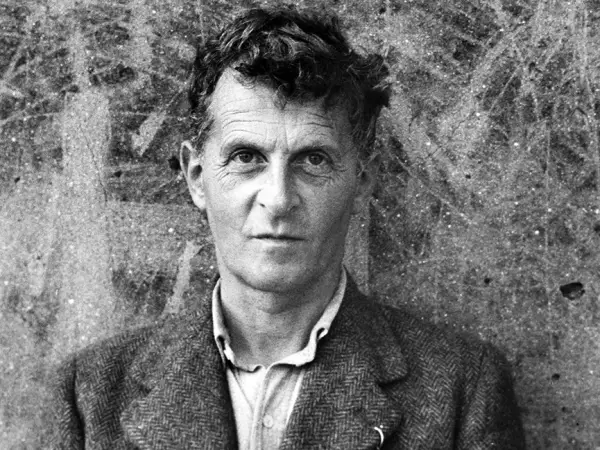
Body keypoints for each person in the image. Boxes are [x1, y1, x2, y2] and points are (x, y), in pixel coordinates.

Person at [50, 6, 525, 449]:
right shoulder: (90, 395)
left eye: (313, 160)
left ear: (361, 178)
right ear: (196, 177)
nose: (277, 198)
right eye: (246, 157)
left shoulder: (463, 389)